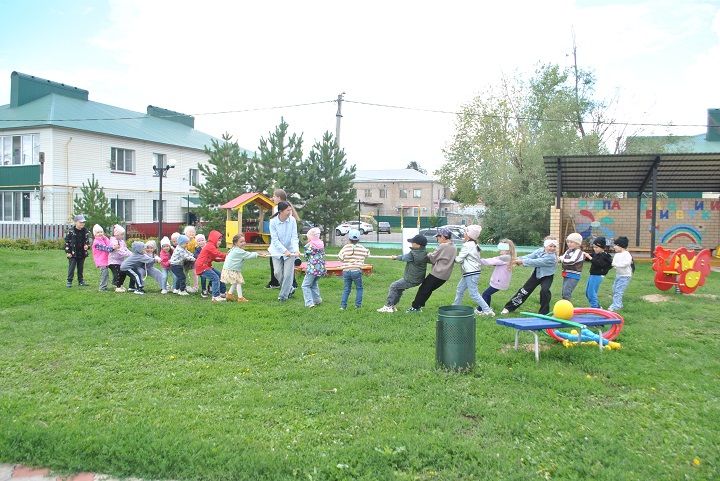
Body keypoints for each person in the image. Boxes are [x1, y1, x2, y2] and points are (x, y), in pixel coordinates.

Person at [501, 236, 558, 315]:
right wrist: (517, 259)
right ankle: (508, 308)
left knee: (545, 291)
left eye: (554, 246)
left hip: (547, 276)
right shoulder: (540, 250)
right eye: (550, 246)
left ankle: (543, 313)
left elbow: (536, 262)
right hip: (537, 274)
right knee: (524, 291)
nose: (552, 248)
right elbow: (530, 256)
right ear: (545, 246)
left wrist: (521, 261)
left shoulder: (552, 257)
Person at [407, 228, 456, 313]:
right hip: (445, 275)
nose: (437, 238)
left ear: (444, 237)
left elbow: (432, 258)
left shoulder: (443, 246)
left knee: (423, 289)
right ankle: (420, 305)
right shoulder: (454, 246)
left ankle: (415, 308)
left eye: (438, 237)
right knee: (428, 289)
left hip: (437, 273)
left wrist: (427, 254)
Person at [376, 234, 428, 313]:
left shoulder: (414, 253)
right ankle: (392, 306)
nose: (411, 244)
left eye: (413, 242)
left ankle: (388, 306)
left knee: (394, 286)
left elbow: (404, 257)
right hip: (417, 278)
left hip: (411, 279)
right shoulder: (424, 253)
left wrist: (395, 257)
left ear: (418, 245)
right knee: (398, 288)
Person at [452, 225, 495, 316]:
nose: (463, 234)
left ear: (469, 235)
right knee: (460, 289)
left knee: (474, 294)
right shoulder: (475, 244)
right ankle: (455, 307)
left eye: (465, 232)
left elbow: (459, 259)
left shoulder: (468, 245)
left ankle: (487, 310)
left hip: (471, 273)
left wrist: (449, 257)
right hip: (470, 272)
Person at [266, 188, 300, 289]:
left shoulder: (291, 219)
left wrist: (295, 250)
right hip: (277, 248)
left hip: (289, 248)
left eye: (274, 196)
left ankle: (288, 289)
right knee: (277, 272)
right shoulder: (274, 220)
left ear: (279, 198)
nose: (273, 198)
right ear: (281, 212)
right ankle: (288, 287)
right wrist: (284, 250)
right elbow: (275, 239)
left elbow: (294, 237)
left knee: (288, 273)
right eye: (288, 211)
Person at [221, 234, 265, 302]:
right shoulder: (238, 251)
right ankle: (240, 298)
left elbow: (247, 254)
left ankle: (229, 295)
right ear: (236, 243)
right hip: (231, 270)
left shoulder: (234, 249)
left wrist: (258, 254)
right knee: (238, 282)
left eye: (244, 241)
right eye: (241, 242)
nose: (243, 243)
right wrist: (258, 254)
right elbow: (248, 255)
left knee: (235, 282)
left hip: (230, 269)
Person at [338, 229, 370, 309]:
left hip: (346, 271)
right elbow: (367, 254)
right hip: (356, 270)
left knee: (346, 289)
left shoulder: (345, 247)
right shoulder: (361, 247)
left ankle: (343, 306)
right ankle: (357, 306)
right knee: (359, 288)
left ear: (349, 238)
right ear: (358, 239)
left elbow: (340, 257)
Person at [479, 239, 516, 309]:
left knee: (485, 294)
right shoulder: (507, 257)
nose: (500, 251)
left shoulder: (505, 257)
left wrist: (478, 260)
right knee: (487, 294)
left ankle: (482, 309)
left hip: (498, 281)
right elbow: (494, 259)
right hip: (499, 281)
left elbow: (491, 261)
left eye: (502, 249)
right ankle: (487, 308)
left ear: (508, 250)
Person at [195, 230, 228, 302]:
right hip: (202, 266)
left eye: (220, 240)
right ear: (214, 239)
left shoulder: (212, 246)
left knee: (220, 275)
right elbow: (217, 254)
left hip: (207, 266)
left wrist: (225, 259)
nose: (220, 242)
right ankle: (215, 296)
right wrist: (228, 256)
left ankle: (222, 293)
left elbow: (215, 258)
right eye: (218, 240)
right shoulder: (210, 246)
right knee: (215, 278)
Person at [583, 236, 613, 308]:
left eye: (596, 247)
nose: (594, 249)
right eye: (594, 247)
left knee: (591, 293)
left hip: (598, 276)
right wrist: (585, 256)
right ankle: (597, 307)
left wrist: (590, 258)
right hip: (592, 275)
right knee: (588, 293)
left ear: (602, 247)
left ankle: (595, 307)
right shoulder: (596, 254)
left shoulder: (604, 256)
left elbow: (599, 263)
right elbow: (591, 258)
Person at [301, 227, 326, 308]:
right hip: (320, 269)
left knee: (305, 285)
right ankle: (317, 300)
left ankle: (309, 303)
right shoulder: (321, 243)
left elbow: (306, 255)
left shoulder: (310, 245)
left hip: (312, 269)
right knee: (314, 283)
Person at [64, 214, 91, 287]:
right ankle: (69, 281)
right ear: (75, 222)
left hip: (82, 253)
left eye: (83, 222)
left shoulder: (85, 231)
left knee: (80, 268)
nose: (82, 224)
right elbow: (67, 242)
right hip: (73, 253)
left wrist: (87, 246)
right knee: (72, 267)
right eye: (80, 222)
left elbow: (87, 242)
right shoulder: (71, 232)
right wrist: (68, 252)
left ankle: (81, 281)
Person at [608, 236, 633, 312]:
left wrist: (617, 265)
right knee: (614, 289)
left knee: (618, 291)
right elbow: (613, 263)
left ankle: (616, 306)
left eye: (615, 245)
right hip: (618, 275)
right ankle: (619, 304)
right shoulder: (617, 255)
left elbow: (626, 263)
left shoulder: (626, 254)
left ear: (620, 246)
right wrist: (615, 265)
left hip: (625, 276)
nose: (614, 247)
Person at [560, 232, 585, 301]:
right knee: (564, 291)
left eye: (571, 242)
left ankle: (567, 308)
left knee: (566, 292)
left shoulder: (579, 252)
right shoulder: (568, 251)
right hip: (566, 274)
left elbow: (572, 261)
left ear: (578, 243)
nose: (569, 244)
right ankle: (564, 306)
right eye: (568, 242)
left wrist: (561, 259)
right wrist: (558, 258)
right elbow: (563, 257)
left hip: (573, 275)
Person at [109, 224, 131, 291]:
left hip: (120, 261)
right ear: (116, 234)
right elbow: (119, 251)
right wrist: (128, 254)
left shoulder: (122, 241)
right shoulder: (114, 241)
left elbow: (125, 249)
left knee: (123, 272)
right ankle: (117, 287)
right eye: (121, 234)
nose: (122, 236)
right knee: (118, 273)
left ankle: (120, 285)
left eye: (123, 234)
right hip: (113, 262)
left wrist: (132, 254)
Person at [91, 224, 113, 291]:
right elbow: (106, 248)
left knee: (106, 274)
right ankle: (102, 288)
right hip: (101, 261)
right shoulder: (96, 242)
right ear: (95, 234)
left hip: (105, 260)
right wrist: (113, 248)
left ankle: (105, 286)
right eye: (98, 232)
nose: (100, 234)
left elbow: (109, 244)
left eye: (101, 232)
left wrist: (105, 238)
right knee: (104, 274)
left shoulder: (103, 239)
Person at [184, 226, 199, 293]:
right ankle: (187, 285)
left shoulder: (195, 241)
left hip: (193, 259)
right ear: (185, 233)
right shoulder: (184, 240)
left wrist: (194, 256)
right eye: (189, 232)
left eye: (193, 232)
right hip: (185, 259)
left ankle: (196, 287)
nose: (191, 233)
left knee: (194, 272)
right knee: (185, 272)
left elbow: (197, 249)